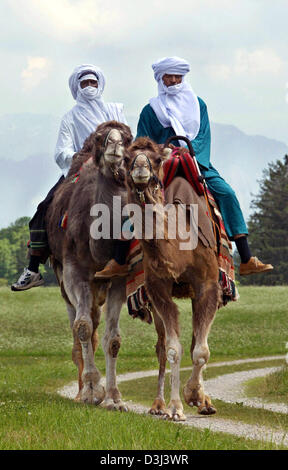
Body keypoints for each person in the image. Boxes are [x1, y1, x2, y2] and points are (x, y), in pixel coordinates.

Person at [135, 56, 273, 276]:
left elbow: (203, 137)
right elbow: (141, 143)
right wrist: (161, 153)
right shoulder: (149, 111)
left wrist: (187, 152)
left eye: (176, 76)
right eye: (167, 76)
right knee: (133, 200)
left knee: (226, 193)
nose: (172, 80)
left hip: (194, 162)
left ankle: (246, 258)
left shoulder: (198, 105)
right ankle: (122, 258)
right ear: (160, 79)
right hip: (160, 166)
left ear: (183, 77)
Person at [11, 64, 128, 291]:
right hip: (81, 169)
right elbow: (61, 151)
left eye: (93, 83)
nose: (89, 87)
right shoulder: (70, 118)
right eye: (84, 83)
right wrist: (80, 157)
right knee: (44, 207)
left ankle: (146, 259)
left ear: (100, 85)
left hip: (115, 168)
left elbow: (126, 138)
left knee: (142, 201)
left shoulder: (114, 111)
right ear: (77, 87)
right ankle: (33, 267)